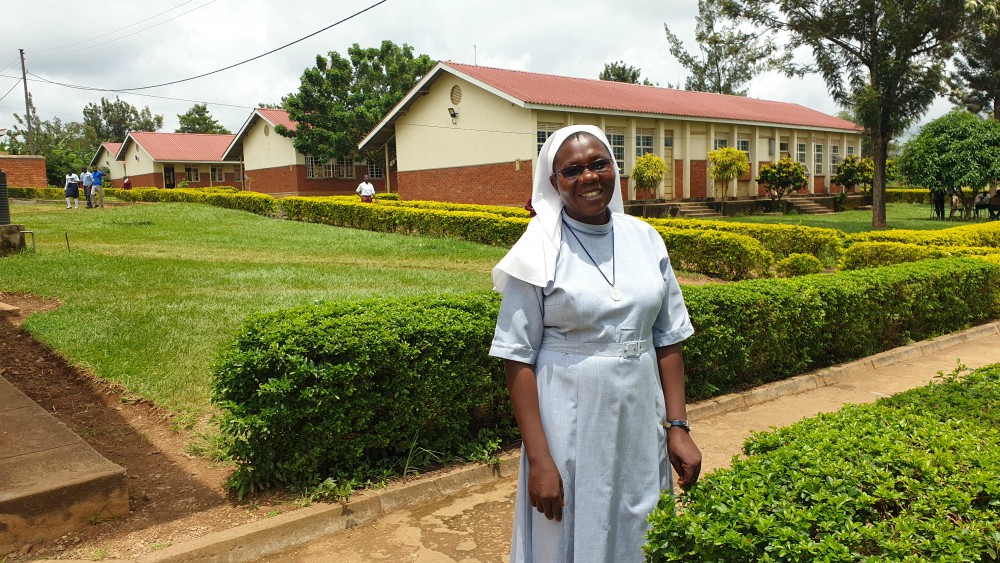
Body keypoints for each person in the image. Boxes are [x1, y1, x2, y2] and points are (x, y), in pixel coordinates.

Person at [489, 125, 701, 563]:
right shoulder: (539, 249)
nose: (588, 177)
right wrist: (540, 460)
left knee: (639, 518)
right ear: (554, 183)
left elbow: (668, 337)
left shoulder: (645, 238)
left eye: (599, 164)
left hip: (641, 417)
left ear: (615, 170)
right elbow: (517, 358)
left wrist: (677, 428)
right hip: (568, 421)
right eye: (573, 170)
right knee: (568, 524)